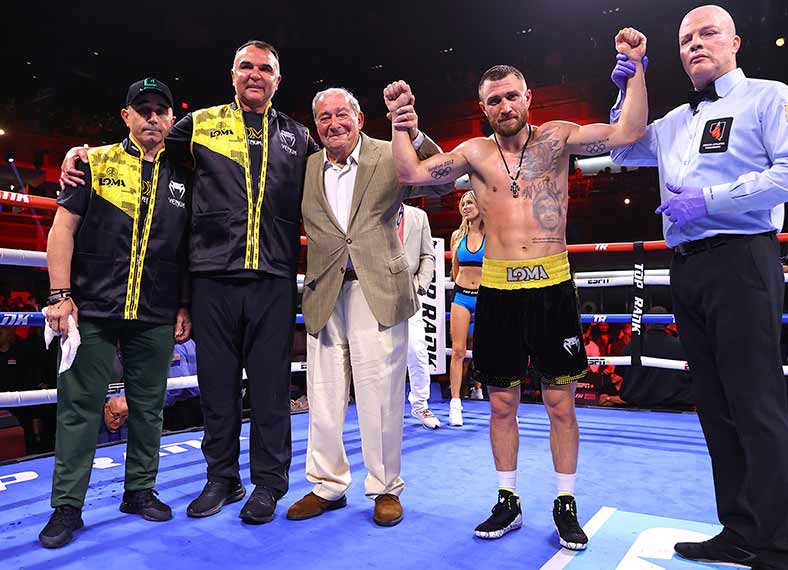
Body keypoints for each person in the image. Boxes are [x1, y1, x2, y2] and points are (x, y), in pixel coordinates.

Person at [385, 26, 647, 549]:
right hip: (499, 291)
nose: (504, 105)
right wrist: (400, 123)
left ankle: (565, 503)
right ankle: (508, 498)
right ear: (483, 108)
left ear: (528, 98)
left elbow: (628, 134)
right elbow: (412, 174)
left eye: (511, 96)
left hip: (552, 285)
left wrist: (636, 69)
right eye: (493, 100)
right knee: (501, 404)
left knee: (560, 403)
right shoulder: (475, 153)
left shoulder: (559, 136)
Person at [61, 41, 320, 525]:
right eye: (247, 66)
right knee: (217, 388)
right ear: (233, 74)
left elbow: (335, 179)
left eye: (266, 69)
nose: (255, 75)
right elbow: (144, 146)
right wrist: (82, 153)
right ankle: (222, 477)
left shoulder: (300, 136)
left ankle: (269, 483)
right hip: (211, 279)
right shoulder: (197, 124)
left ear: (278, 81)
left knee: (268, 390)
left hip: (273, 279)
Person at [610, 7, 788, 568]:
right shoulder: (672, 122)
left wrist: (708, 201)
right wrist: (631, 80)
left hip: (742, 259)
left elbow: (786, 172)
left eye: (707, 34)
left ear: (735, 41)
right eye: (685, 40)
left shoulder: (768, 97)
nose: (694, 45)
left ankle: (777, 539)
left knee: (756, 402)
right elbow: (620, 148)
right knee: (714, 404)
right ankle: (740, 530)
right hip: (687, 268)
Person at [286, 87, 453, 527]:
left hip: (375, 289)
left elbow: (440, 178)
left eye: (342, 115)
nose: (333, 124)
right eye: (324, 118)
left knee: (379, 397)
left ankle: (384, 487)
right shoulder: (305, 169)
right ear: (315, 124)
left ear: (359, 118)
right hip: (325, 292)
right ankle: (327, 484)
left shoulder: (387, 153)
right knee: (323, 396)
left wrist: (414, 135)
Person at [41, 78, 191, 549]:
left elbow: (189, 247)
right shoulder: (93, 161)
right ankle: (68, 506)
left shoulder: (186, 173)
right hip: (93, 306)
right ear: (125, 115)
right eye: (141, 109)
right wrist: (57, 294)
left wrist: (184, 301)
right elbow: (62, 229)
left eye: (160, 110)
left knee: (149, 409)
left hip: (156, 309)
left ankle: (140, 491)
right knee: (79, 409)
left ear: (171, 119)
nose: (151, 117)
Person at [399, 203, 441, 430]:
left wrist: (421, 287)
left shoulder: (418, 216)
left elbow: (428, 256)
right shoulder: (372, 209)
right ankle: (385, 409)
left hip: (411, 295)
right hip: (375, 293)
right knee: (379, 356)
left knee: (416, 350)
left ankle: (420, 404)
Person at [448, 190, 486, 426]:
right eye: (463, 204)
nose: (466, 207)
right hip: (461, 295)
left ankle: (501, 404)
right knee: (458, 351)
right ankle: (455, 405)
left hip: (485, 295)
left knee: (490, 349)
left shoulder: (492, 234)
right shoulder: (456, 236)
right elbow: (454, 271)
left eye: (470, 202)